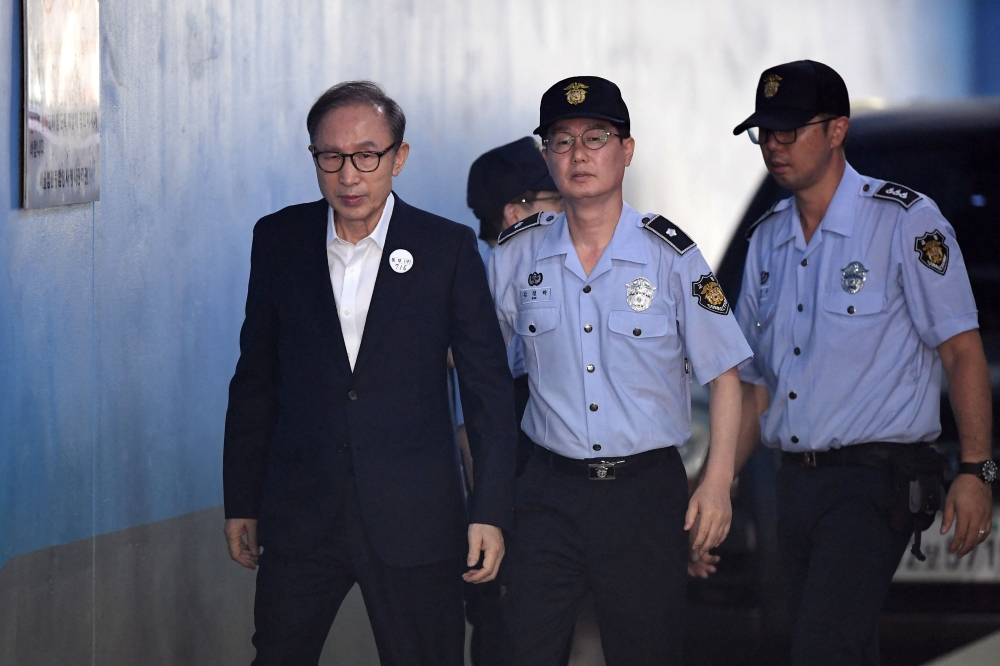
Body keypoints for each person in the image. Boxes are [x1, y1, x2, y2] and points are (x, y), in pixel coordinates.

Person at [222, 80, 517, 666]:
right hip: (303, 514)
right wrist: (241, 499)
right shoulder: (279, 240)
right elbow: (255, 378)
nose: (348, 175)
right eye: (330, 157)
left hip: (416, 522)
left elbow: (487, 392)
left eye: (366, 155)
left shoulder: (446, 249)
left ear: (398, 158)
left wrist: (489, 510)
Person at [731, 60, 995, 666]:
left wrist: (977, 469)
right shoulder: (767, 239)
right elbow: (753, 385)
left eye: (789, 131)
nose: (774, 146)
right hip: (790, 483)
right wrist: (719, 482)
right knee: (826, 644)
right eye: (764, 133)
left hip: (872, 481)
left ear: (836, 129)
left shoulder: (904, 222)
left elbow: (960, 349)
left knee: (822, 650)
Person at [489, 75, 752, 665]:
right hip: (547, 492)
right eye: (561, 141)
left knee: (646, 652)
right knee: (523, 648)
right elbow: (480, 373)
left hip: (643, 495)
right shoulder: (515, 254)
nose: (579, 155)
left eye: (596, 137)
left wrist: (716, 484)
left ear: (626, 150)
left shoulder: (673, 256)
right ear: (547, 156)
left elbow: (725, 376)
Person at [459, 137, 563, 666]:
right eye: (555, 199)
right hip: (515, 475)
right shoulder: (487, 280)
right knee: (510, 625)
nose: (568, 208)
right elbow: (475, 421)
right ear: (515, 212)